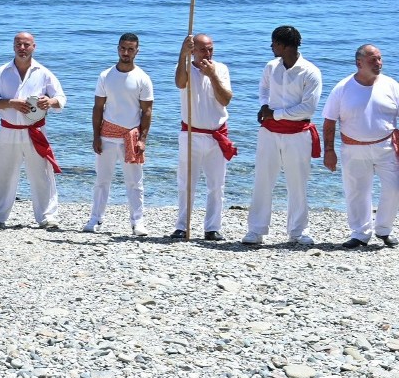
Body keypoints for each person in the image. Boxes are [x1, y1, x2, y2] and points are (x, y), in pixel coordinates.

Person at [243, 25, 322, 246]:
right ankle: (256, 230)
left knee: (297, 182)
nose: (271, 46)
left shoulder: (310, 72)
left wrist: (275, 113)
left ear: (286, 46)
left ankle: (298, 231)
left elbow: (308, 108)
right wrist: (264, 106)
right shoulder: (271, 67)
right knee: (262, 179)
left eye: (275, 43)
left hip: (297, 133)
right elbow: (264, 90)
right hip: (269, 131)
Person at [0, 31, 66, 229]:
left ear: (34, 47)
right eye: (19, 44)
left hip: (34, 131)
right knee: (4, 173)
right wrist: (11, 103)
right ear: (13, 46)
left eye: (26, 45)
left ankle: (47, 216)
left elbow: (61, 98)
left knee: (42, 174)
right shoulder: (1, 72)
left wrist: (50, 101)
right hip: (9, 130)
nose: (22, 48)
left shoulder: (44, 73)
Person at [322, 44, 399, 249]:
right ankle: (360, 234)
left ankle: (383, 229)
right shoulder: (343, 88)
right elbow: (329, 121)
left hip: (386, 147)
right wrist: (329, 151)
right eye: (373, 59)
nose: (379, 63)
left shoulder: (391, 85)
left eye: (380, 58)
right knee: (356, 192)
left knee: (394, 188)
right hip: (353, 149)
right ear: (359, 63)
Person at [84, 33, 153, 236]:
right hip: (107, 135)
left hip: (131, 136)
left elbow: (147, 111)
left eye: (130, 49)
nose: (126, 53)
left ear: (137, 51)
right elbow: (98, 108)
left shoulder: (142, 78)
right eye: (123, 48)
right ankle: (95, 218)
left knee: (134, 182)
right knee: (102, 180)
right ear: (117, 49)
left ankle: (137, 222)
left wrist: (142, 139)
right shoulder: (105, 76)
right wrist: (96, 136)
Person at [169, 33, 236, 241]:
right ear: (193, 50)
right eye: (203, 49)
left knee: (216, 184)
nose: (208, 53)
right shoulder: (186, 68)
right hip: (191, 133)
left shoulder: (221, 69)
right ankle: (182, 225)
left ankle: (212, 227)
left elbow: (225, 99)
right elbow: (180, 83)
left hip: (216, 134)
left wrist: (212, 75)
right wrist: (182, 55)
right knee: (186, 183)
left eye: (210, 49)